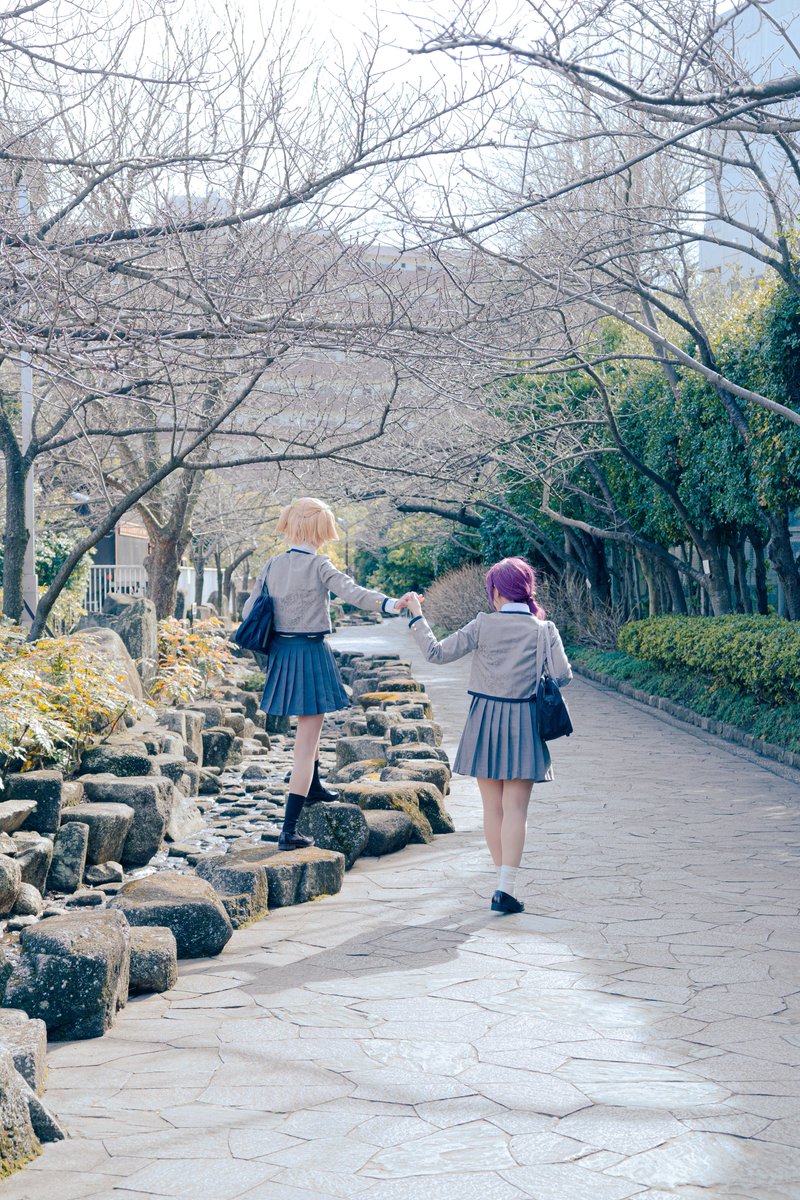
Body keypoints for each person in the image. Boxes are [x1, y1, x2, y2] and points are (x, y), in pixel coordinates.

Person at [242, 497, 413, 851]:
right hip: (309, 652)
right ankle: (289, 830)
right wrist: (390, 603)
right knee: (306, 743)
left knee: (310, 731)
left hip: (282, 653)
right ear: (319, 529)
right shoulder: (319, 564)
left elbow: (248, 611)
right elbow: (353, 593)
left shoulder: (272, 565)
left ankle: (314, 787)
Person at [402, 557, 572, 914]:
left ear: (495, 592)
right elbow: (562, 675)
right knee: (516, 809)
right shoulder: (544, 629)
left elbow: (435, 653)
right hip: (525, 721)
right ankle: (505, 887)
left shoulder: (482, 624)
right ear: (527, 590)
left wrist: (417, 614)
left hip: (484, 721)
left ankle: (501, 885)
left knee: (492, 808)